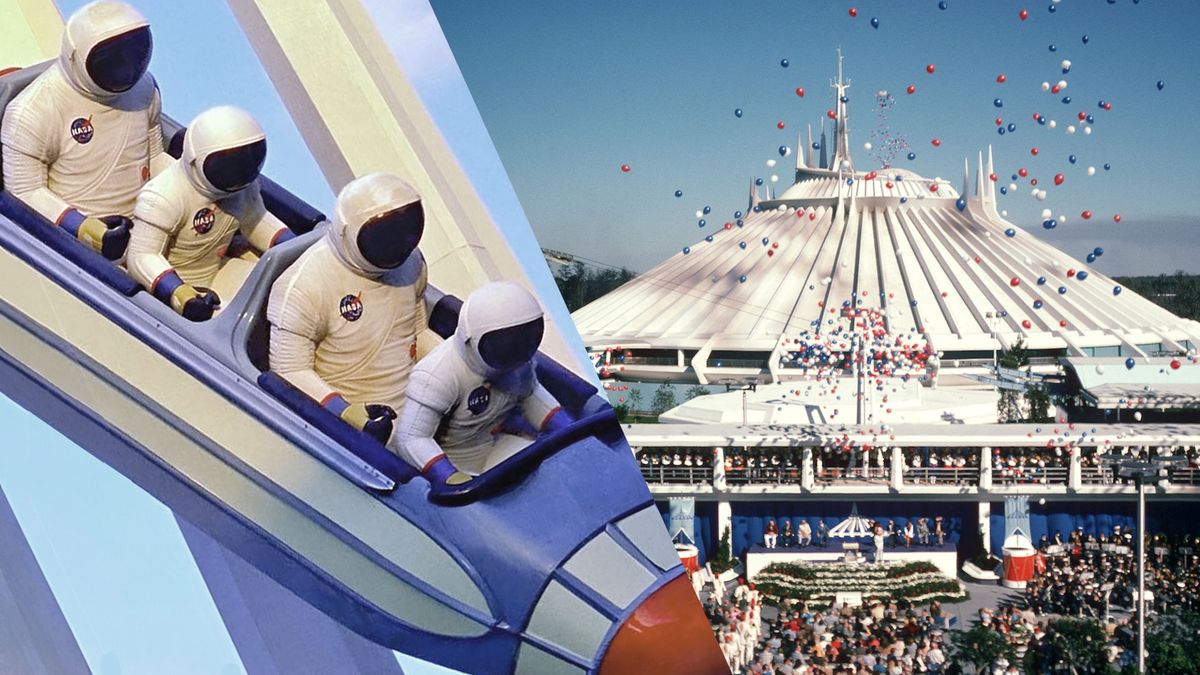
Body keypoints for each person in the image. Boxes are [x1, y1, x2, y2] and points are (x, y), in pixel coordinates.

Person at [267, 172, 442, 473]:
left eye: (406, 230)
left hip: (425, 412)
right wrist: (346, 412)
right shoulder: (304, 286)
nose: (399, 242)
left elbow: (418, 333)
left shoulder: (412, 264)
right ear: (347, 231)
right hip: (364, 431)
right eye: (385, 233)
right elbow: (289, 371)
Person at [1, 0, 171, 260]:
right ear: (74, 57)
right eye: (111, 60)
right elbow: (26, 192)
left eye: (133, 52)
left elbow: (155, 156)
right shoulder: (33, 111)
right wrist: (85, 228)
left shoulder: (144, 89)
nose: (125, 67)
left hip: (155, 230)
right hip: (88, 252)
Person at [127, 106, 293, 320]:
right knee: (232, 320)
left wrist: (294, 247)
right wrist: (180, 293)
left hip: (215, 271)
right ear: (196, 161)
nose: (238, 171)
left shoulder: (244, 184)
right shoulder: (164, 196)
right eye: (228, 164)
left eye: (246, 160)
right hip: (174, 284)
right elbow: (142, 256)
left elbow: (256, 222)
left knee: (280, 297)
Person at [396, 281, 572, 478]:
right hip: (449, 462)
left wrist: (571, 432)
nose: (514, 347)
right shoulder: (437, 375)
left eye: (523, 337)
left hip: (491, 448)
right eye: (505, 340)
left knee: (552, 470)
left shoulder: (520, 363)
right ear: (470, 338)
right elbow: (411, 439)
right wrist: (449, 477)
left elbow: (531, 396)